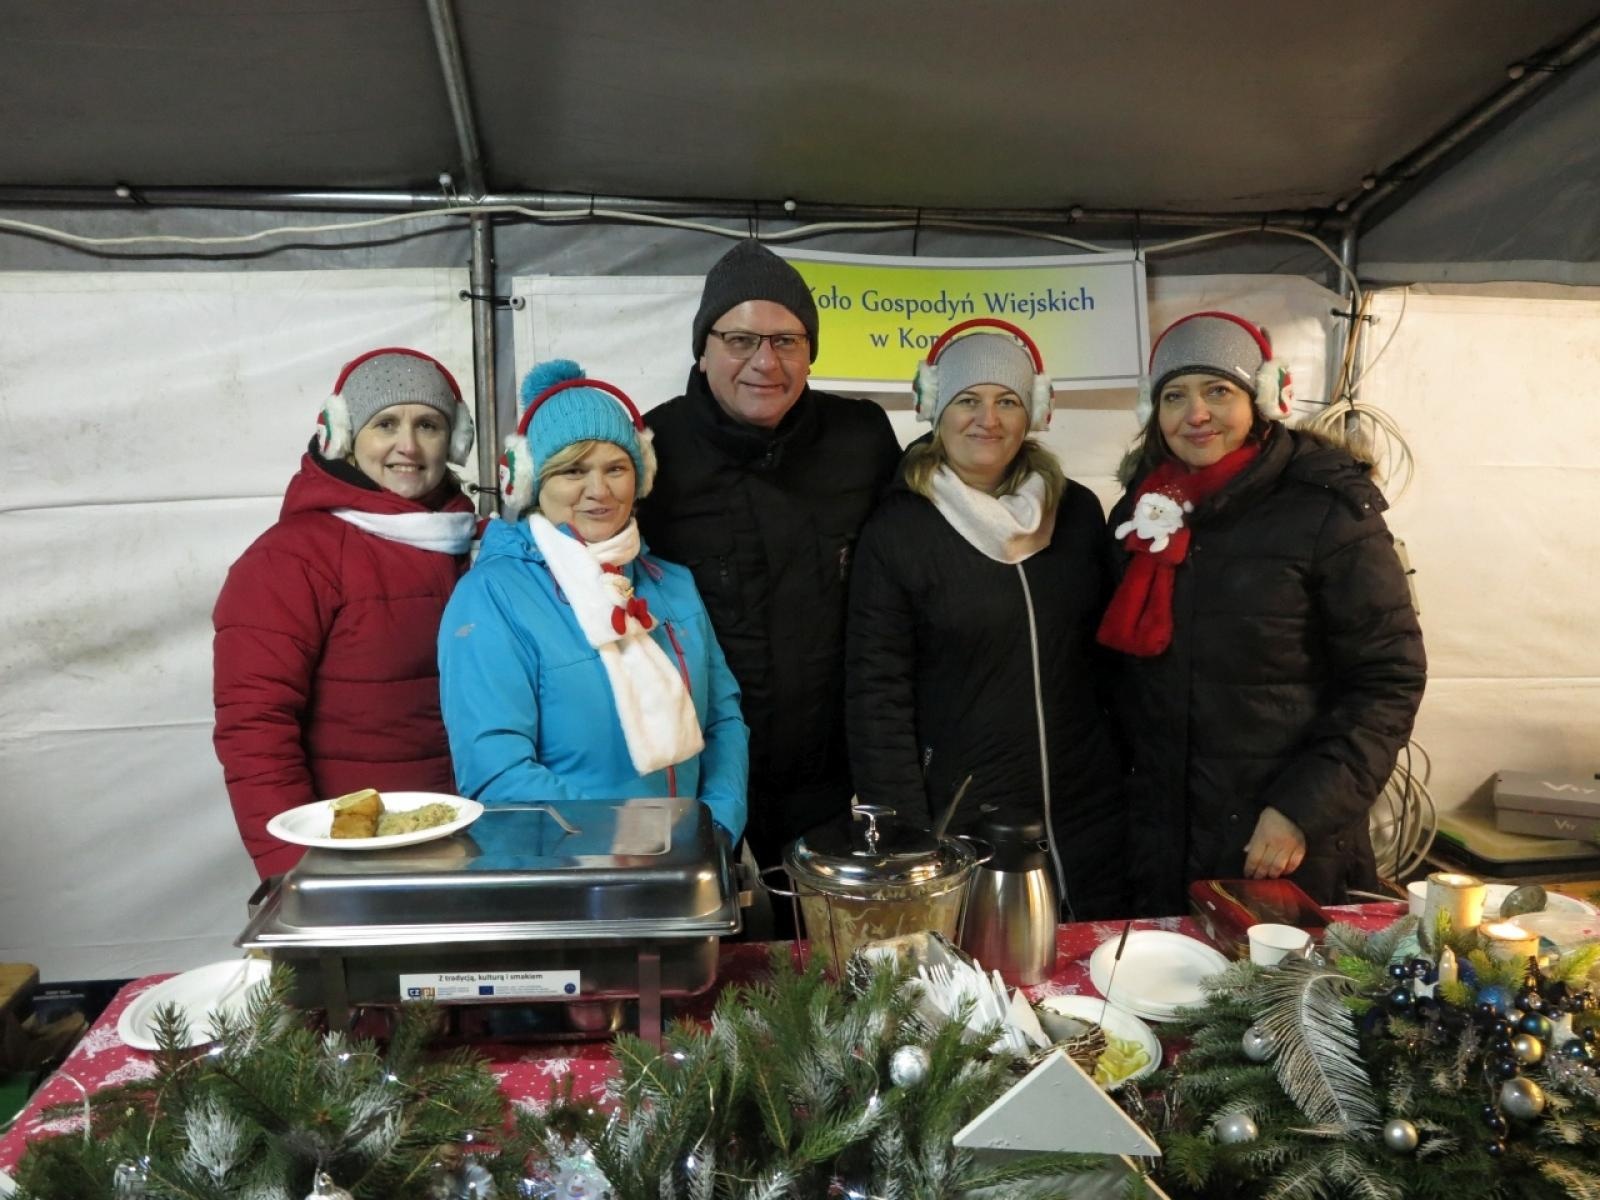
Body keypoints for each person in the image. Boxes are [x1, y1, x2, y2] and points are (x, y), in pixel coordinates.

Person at [1101, 311, 1426, 913]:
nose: (1196, 414)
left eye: (1217, 391)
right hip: (1160, 839)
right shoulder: (1142, 511)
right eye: (1175, 396)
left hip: (1281, 840)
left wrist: (1302, 810)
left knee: (1276, 1003)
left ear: (1262, 398)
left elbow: (1388, 679)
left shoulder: (1329, 511)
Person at [845, 321, 1127, 920]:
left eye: (1007, 402)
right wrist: (903, 828)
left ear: (1035, 414)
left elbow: (1110, 657)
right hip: (962, 811)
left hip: (1085, 807)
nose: (987, 420)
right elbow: (877, 691)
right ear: (934, 410)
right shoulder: (898, 530)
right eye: (967, 400)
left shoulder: (1075, 511)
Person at [637, 240, 902, 871]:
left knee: (827, 956)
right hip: (698, 773)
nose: (765, 362)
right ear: (703, 351)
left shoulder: (860, 438)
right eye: (740, 340)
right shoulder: (652, 449)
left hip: (832, 780)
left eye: (787, 341)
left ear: (811, 353)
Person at [437, 359, 747, 839]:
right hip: (569, 881)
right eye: (573, 470)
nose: (598, 491)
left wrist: (717, 828)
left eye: (616, 468)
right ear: (532, 480)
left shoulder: (672, 584)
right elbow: (496, 772)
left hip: (687, 864)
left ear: (641, 475)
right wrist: (637, 846)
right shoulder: (492, 596)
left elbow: (724, 720)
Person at [213, 348, 478, 878]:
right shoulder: (289, 559)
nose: (408, 445)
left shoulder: (476, 546)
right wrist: (295, 871)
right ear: (343, 436)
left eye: (427, 424)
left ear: (454, 441)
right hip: (354, 858)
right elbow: (255, 729)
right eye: (385, 424)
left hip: (467, 841)